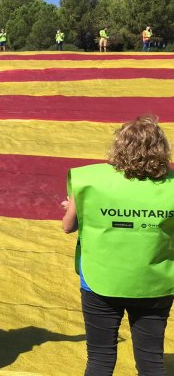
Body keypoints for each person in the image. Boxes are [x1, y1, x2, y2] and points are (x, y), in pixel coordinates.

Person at [61, 116, 174, 376]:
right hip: (154, 283)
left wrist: (73, 208)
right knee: (151, 361)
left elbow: (68, 227)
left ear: (119, 146)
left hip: (101, 280)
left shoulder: (89, 180)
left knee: (100, 358)